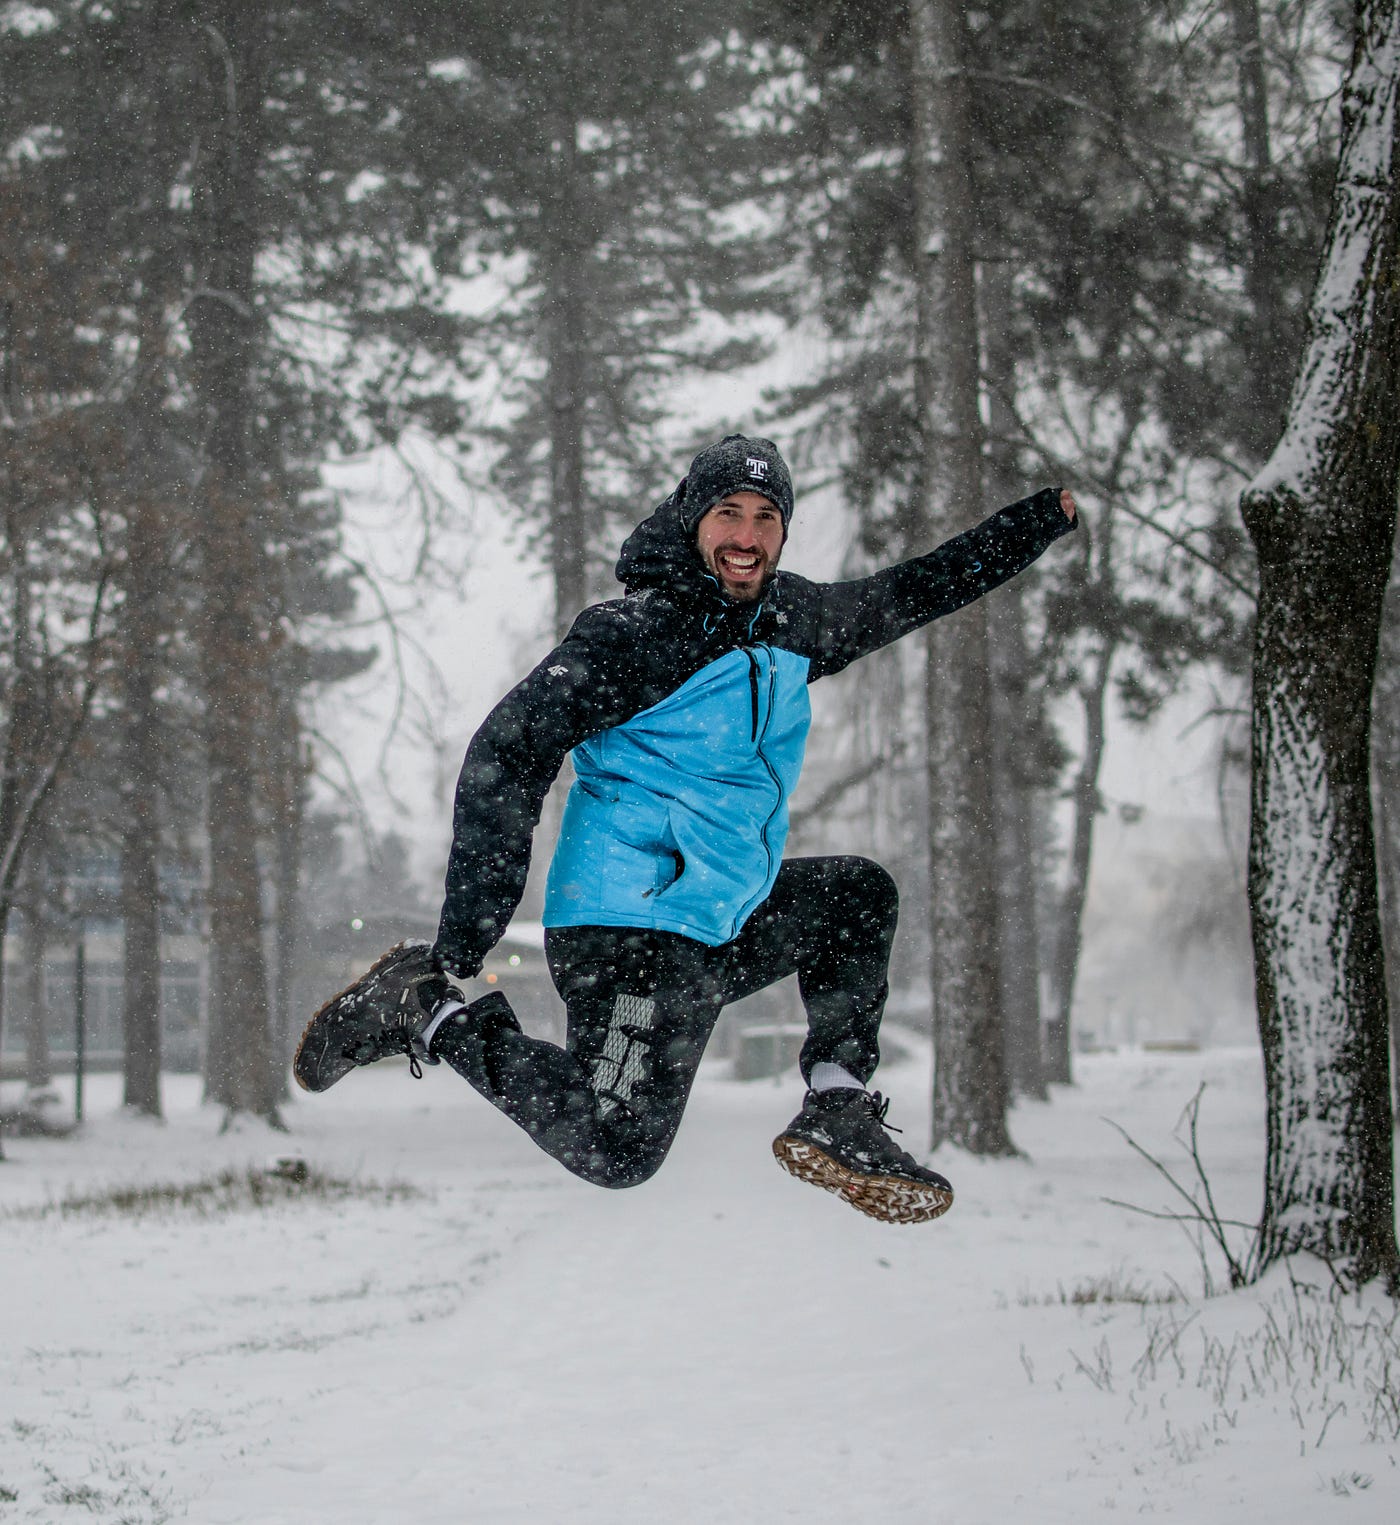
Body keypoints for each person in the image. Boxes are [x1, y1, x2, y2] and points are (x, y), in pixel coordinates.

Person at [295, 434, 1077, 1223]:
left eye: (766, 516)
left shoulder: (795, 621)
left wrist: (1040, 520)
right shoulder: (633, 633)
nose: (746, 535)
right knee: (617, 1146)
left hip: (711, 920)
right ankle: (425, 1008)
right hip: (625, 926)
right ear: (692, 520)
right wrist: (466, 937)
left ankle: (838, 1101)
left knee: (855, 896)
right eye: (727, 512)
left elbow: (915, 590)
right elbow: (509, 748)